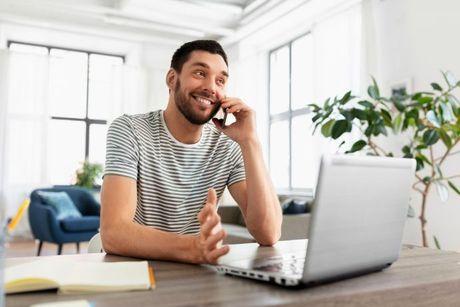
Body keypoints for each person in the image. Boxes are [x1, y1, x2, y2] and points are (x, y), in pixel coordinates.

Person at [100, 40, 282, 264]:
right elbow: (114, 233)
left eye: (220, 80)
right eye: (199, 73)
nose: (211, 87)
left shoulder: (228, 145)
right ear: (171, 79)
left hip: (193, 271)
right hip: (134, 267)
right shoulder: (130, 130)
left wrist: (251, 142)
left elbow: (269, 234)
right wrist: (194, 248)